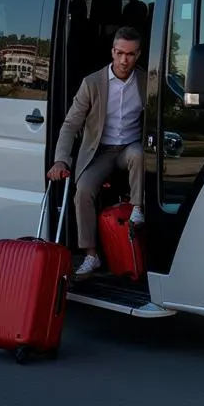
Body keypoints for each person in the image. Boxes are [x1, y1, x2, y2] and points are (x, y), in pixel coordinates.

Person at [48, 26, 145, 278]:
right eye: (120, 53)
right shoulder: (92, 83)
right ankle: (91, 255)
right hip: (100, 151)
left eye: (131, 54)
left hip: (129, 149)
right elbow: (70, 124)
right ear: (112, 52)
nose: (125, 60)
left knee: (138, 153)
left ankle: (137, 208)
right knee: (83, 191)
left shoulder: (146, 81)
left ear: (138, 55)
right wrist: (60, 159)